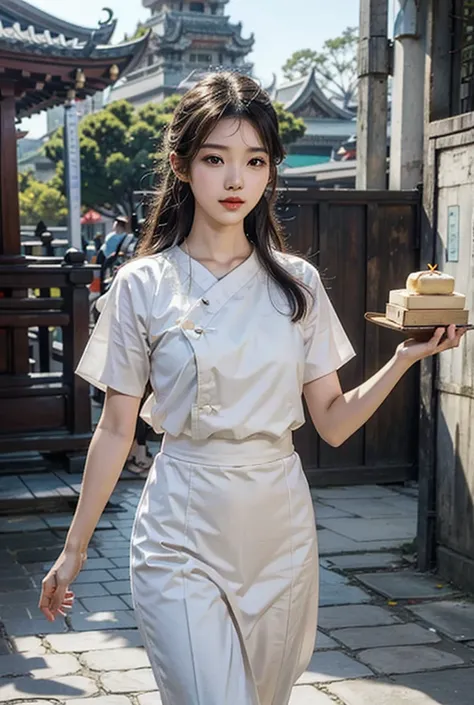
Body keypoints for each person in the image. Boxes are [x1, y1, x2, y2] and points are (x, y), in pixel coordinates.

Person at [38, 72, 466, 705]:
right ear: (183, 165)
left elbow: (334, 420)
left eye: (254, 160)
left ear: (270, 172)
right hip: (180, 521)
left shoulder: (298, 284)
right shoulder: (142, 285)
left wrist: (404, 359)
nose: (236, 179)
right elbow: (115, 428)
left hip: (279, 522)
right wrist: (72, 553)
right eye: (216, 158)